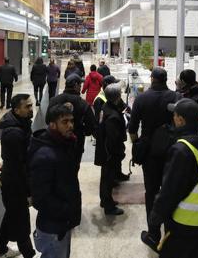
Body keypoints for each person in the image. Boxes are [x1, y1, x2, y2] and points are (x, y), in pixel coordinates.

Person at [141, 99, 198, 257]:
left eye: (175, 115)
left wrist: (155, 217)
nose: (173, 118)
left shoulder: (183, 149)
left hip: (186, 218)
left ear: (180, 120)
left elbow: (170, 190)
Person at [128, 67, 178, 240]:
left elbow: (132, 127)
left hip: (150, 152)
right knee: (171, 190)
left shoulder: (142, 99)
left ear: (152, 79)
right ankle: (170, 232)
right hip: (172, 151)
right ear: (165, 79)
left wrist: (137, 143)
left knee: (151, 191)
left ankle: (153, 232)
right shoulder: (175, 97)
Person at [29, 104, 82, 258]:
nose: (70, 125)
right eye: (64, 122)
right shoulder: (45, 155)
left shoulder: (64, 145)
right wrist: (66, 210)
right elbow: (40, 199)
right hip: (53, 228)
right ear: (52, 125)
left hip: (61, 224)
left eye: (71, 121)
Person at [0, 94, 37, 258]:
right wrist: (29, 193)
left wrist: (6, 161)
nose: (31, 109)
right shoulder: (14, 133)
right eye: (27, 106)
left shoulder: (21, 123)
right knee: (22, 223)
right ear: (17, 110)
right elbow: (19, 166)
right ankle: (29, 254)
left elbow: (17, 156)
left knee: (11, 216)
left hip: (13, 177)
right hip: (14, 184)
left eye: (31, 105)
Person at [49, 74, 96, 169]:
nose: (81, 87)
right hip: (76, 142)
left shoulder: (54, 100)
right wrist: (82, 131)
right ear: (75, 86)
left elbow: (47, 120)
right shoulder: (83, 103)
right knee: (73, 169)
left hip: (55, 141)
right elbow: (91, 126)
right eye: (80, 85)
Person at [95, 85, 127, 216]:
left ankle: (105, 200)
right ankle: (108, 206)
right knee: (108, 179)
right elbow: (113, 139)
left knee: (106, 178)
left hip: (105, 151)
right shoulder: (113, 116)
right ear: (117, 97)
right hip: (110, 154)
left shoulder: (106, 107)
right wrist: (115, 153)